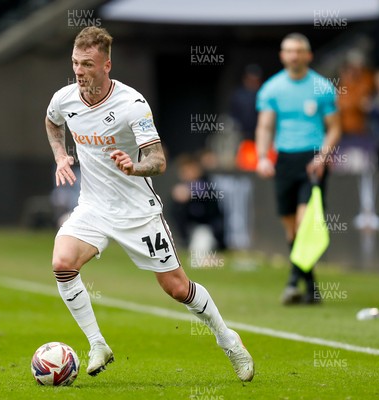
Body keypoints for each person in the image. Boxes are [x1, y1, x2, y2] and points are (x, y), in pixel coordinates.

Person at [45, 26, 254, 381]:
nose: (80, 71)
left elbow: (158, 160)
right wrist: (61, 155)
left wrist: (133, 165)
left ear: (107, 65)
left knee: (177, 288)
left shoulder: (131, 105)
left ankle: (228, 339)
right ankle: (98, 344)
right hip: (93, 207)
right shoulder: (64, 98)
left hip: (137, 213)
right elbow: (52, 122)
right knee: (62, 263)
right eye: (76, 63)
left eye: (88, 64)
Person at [255, 33, 341, 305]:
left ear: (308, 55)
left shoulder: (322, 87)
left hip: (311, 161)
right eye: (289, 51)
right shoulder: (271, 89)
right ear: (282, 56)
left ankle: (293, 281)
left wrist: (323, 156)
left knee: (305, 224)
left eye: (299, 51)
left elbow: (335, 128)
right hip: (284, 160)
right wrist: (262, 157)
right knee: (291, 229)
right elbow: (265, 126)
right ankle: (311, 286)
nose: (294, 55)